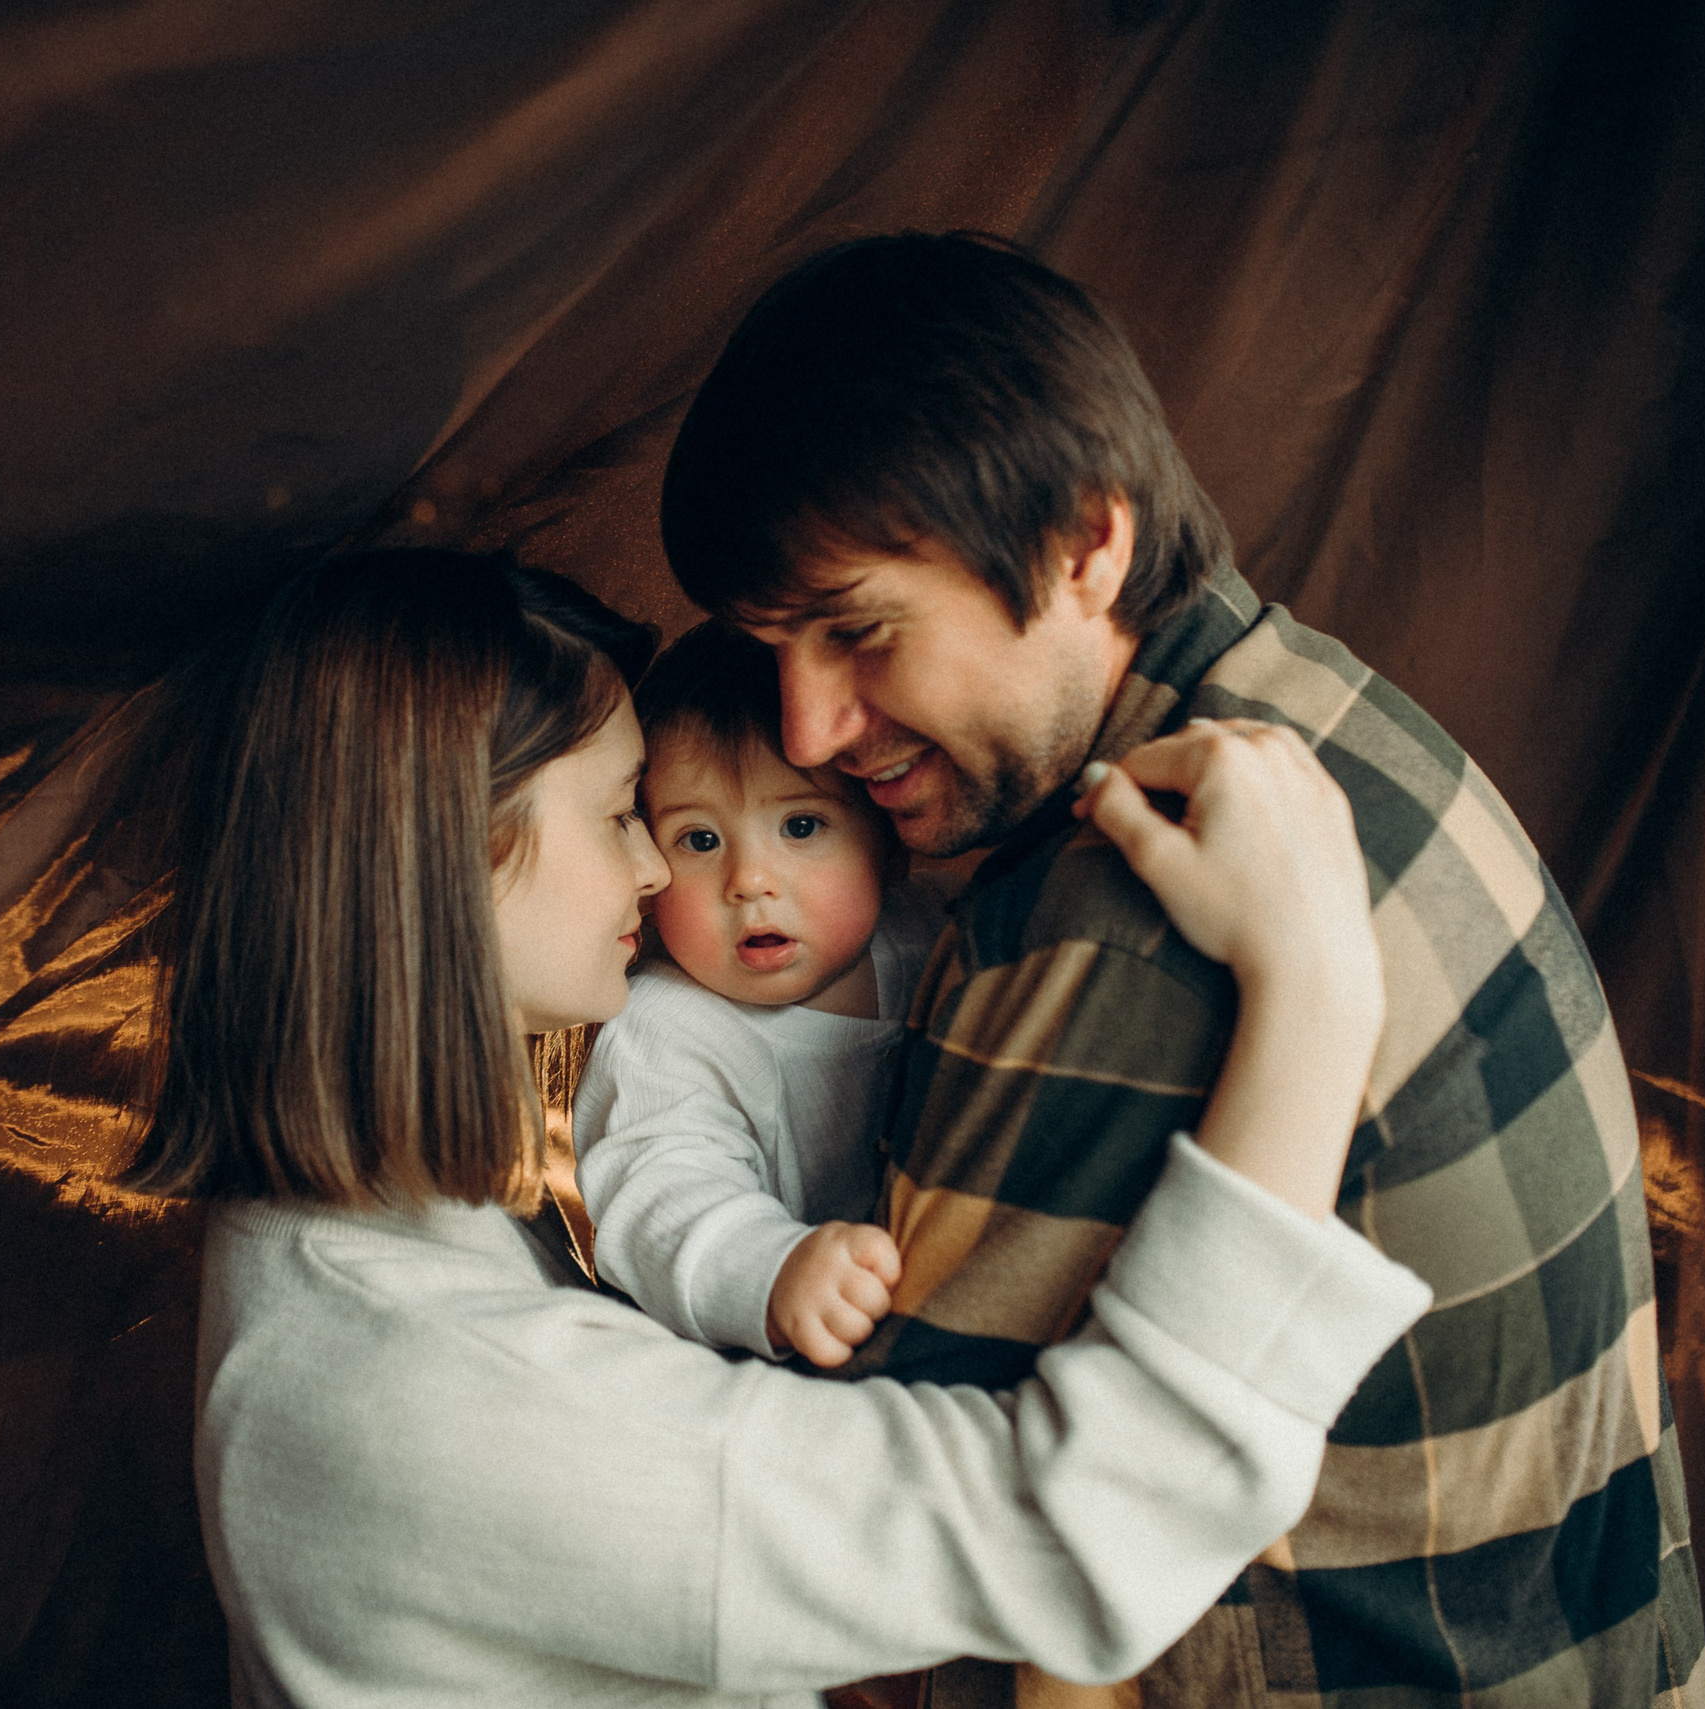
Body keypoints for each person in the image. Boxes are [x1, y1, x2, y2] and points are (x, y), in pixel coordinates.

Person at [659, 231, 1705, 1706]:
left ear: (1085, 543)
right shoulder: (1326, 715)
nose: (808, 727)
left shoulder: (1112, 915)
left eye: (859, 631)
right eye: (772, 647)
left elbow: (918, 1595)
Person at [132, 547, 1428, 1708]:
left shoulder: (361, 1223)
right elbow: (1081, 1532)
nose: (660, 870)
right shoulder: (425, 1395)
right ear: (447, 853)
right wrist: (1315, 997)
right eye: (625, 814)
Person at [575, 618, 934, 1368]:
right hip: (778, 1346)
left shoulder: (925, 938)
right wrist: (772, 1270)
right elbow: (663, 1190)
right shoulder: (668, 1029)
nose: (748, 880)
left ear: (889, 845)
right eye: (699, 840)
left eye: (801, 825)